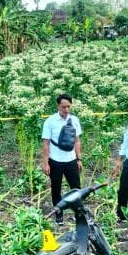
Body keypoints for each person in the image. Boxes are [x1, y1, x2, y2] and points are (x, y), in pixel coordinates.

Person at [42, 93, 83, 225]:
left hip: (71, 160)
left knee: (76, 188)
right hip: (55, 161)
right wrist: (46, 163)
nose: (66, 110)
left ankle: (78, 213)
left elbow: (77, 141)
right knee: (56, 188)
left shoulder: (75, 120)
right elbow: (45, 144)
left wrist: (79, 159)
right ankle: (59, 214)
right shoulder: (50, 121)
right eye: (63, 107)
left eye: (68, 107)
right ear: (58, 106)